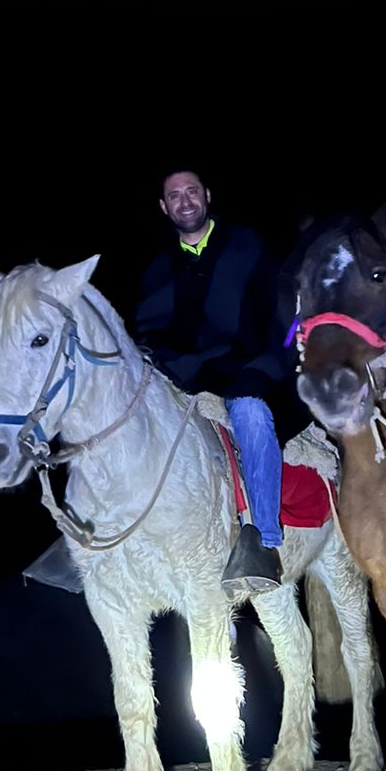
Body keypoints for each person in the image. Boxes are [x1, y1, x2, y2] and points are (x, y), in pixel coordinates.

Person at [135, 168, 291, 594]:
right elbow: (150, 334)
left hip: (246, 366)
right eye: (174, 196)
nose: (185, 201)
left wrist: (271, 363)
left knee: (251, 413)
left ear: (206, 195)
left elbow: (281, 315)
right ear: (164, 207)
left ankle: (263, 537)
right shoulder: (159, 269)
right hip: (184, 372)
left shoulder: (248, 248)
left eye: (191, 192)